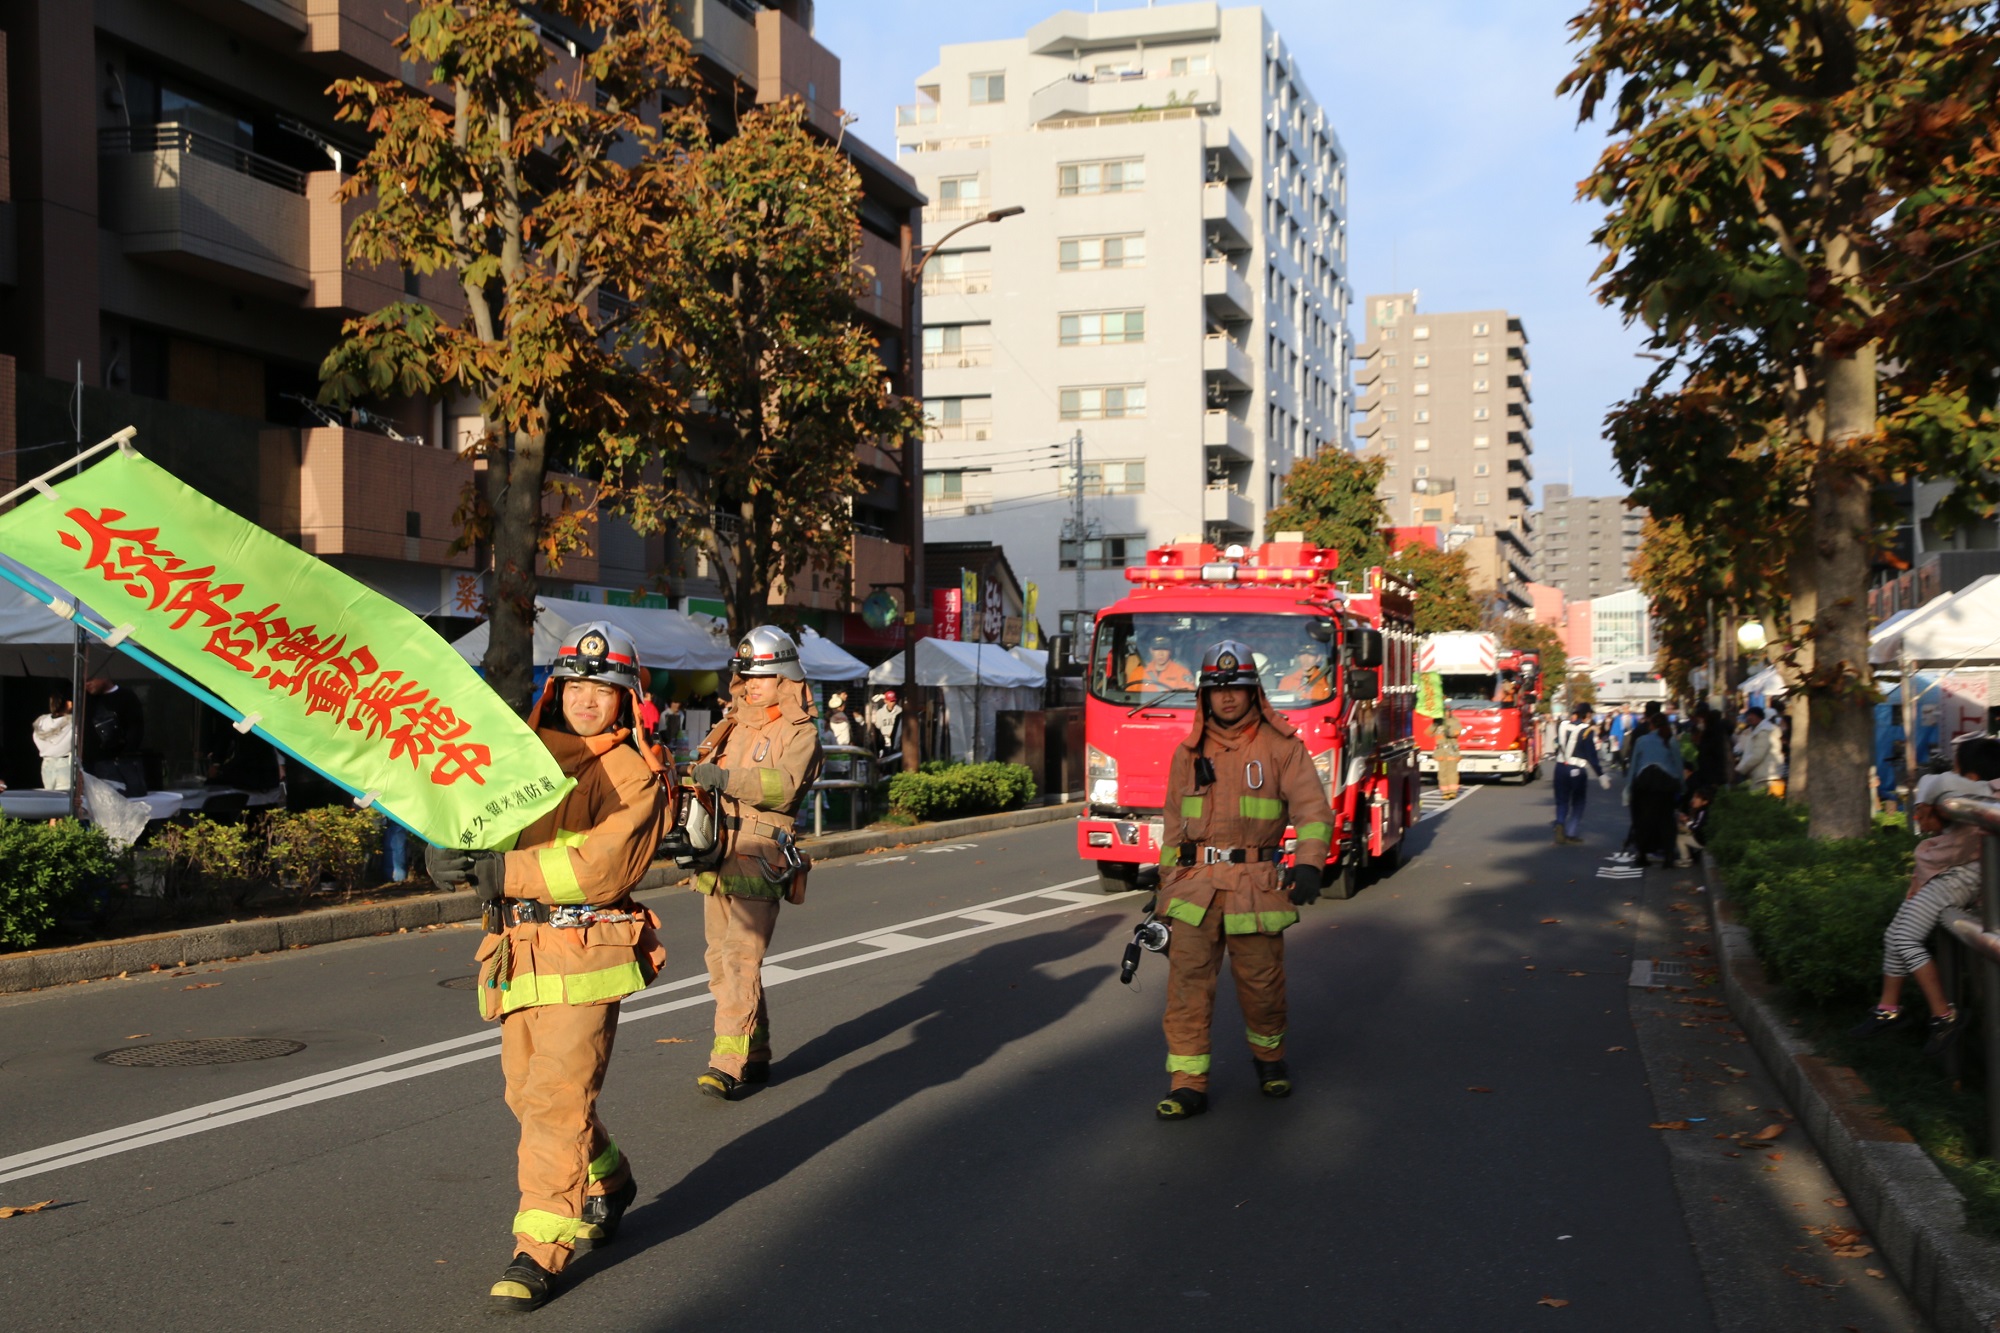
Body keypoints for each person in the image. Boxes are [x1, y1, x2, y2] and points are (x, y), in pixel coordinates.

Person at [425, 622, 668, 1314]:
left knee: (557, 1102)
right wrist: (448, 852)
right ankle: (610, 1178)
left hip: (584, 955)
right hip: (518, 951)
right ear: (555, 687)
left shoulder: (631, 774)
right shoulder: (524, 758)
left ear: (626, 699)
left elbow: (599, 867)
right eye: (575, 685)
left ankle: (540, 1246)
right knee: (526, 1097)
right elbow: (484, 824)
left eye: (603, 688)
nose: (587, 700)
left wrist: (503, 870)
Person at [1152, 640, 1334, 1120]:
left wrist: (1312, 864)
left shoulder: (1283, 748)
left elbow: (1314, 812)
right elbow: (1173, 827)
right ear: (1204, 696)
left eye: (1237, 687)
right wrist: (1163, 887)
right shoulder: (1185, 755)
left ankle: (1270, 1062)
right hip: (1194, 887)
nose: (1227, 697)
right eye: (1217, 688)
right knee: (1187, 986)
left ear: (1254, 692)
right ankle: (1187, 1084)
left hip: (1256, 884)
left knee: (1262, 984)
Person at [683, 626, 825, 1101]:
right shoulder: (730, 724)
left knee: (741, 959)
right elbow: (704, 777)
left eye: (764, 675)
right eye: (746, 675)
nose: (752, 684)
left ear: (787, 678)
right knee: (718, 961)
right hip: (717, 854)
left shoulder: (799, 731)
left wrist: (725, 778)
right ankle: (756, 1051)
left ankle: (726, 1062)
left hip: (761, 856)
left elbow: (784, 786)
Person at [1850, 739, 2000, 1055]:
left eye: (1957, 768)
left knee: (1904, 938)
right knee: (1895, 935)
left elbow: (1940, 784)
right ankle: (1888, 1009)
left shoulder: (1981, 796)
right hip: (1954, 876)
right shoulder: (1979, 793)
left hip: (1960, 878)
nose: (1952, 774)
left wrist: (1932, 802)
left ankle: (1944, 1016)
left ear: (1971, 775)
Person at [1626, 714, 1683, 868]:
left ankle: (1642, 855)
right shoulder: (1671, 741)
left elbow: (1633, 766)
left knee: (1644, 821)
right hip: (1665, 785)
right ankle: (1668, 856)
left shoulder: (1641, 741)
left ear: (1651, 725)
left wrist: (1628, 788)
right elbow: (1678, 765)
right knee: (1666, 821)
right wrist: (1682, 786)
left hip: (1644, 785)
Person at [1552, 703, 1611, 844]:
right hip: (1577, 768)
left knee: (1562, 801)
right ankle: (1571, 833)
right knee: (1578, 802)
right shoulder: (1586, 730)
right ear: (1587, 715)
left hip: (1560, 767)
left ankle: (1560, 823)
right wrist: (1601, 775)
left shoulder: (1562, 725)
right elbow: (1591, 756)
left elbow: (1556, 743)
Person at [82, 676, 147, 795]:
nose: (87, 684)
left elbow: (136, 727)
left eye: (91, 679)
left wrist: (125, 752)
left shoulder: (127, 697)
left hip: (117, 763)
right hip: (90, 764)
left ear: (104, 676)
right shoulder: (87, 700)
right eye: (85, 681)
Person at [1736, 706, 1783, 795]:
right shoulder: (1757, 731)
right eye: (1748, 716)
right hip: (1765, 775)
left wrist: (1741, 769)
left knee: (1761, 804)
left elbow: (1757, 755)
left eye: (1752, 715)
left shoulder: (1763, 732)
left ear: (1760, 717)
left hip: (1765, 777)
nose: (1749, 718)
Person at [1127, 636, 1197, 694]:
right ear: (1151, 651)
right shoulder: (1138, 672)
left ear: (1170, 651)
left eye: (1165, 649)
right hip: (1143, 708)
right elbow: (1128, 696)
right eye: (1157, 649)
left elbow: (1187, 697)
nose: (1161, 654)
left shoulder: (1182, 672)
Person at [32, 694, 72, 791]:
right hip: (64, 763)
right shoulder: (72, 721)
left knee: (49, 795)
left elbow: (36, 738)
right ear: (68, 704)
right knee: (64, 797)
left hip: (47, 763)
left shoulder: (42, 721)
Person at [1675, 784, 1715, 867]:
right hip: (1702, 837)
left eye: (1697, 798)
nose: (1694, 800)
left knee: (1680, 838)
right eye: (1694, 797)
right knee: (1682, 831)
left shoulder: (1702, 812)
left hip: (1701, 840)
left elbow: (1696, 828)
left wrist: (1686, 822)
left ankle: (1686, 860)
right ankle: (1690, 856)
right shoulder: (1703, 810)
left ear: (1705, 801)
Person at [871, 689, 905, 772]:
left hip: (896, 740)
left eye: (893, 701)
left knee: (896, 760)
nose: (892, 703)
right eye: (890, 701)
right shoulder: (880, 712)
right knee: (885, 761)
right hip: (884, 740)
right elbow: (878, 726)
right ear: (885, 701)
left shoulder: (900, 711)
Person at [1434, 710, 1464, 799]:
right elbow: (1428, 732)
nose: (1446, 713)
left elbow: (1456, 732)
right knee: (1442, 773)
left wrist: (1447, 730)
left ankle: (1452, 791)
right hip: (1441, 750)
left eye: (1447, 711)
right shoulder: (1438, 721)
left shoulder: (1455, 721)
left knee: (1452, 772)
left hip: (1452, 750)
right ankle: (1445, 792)